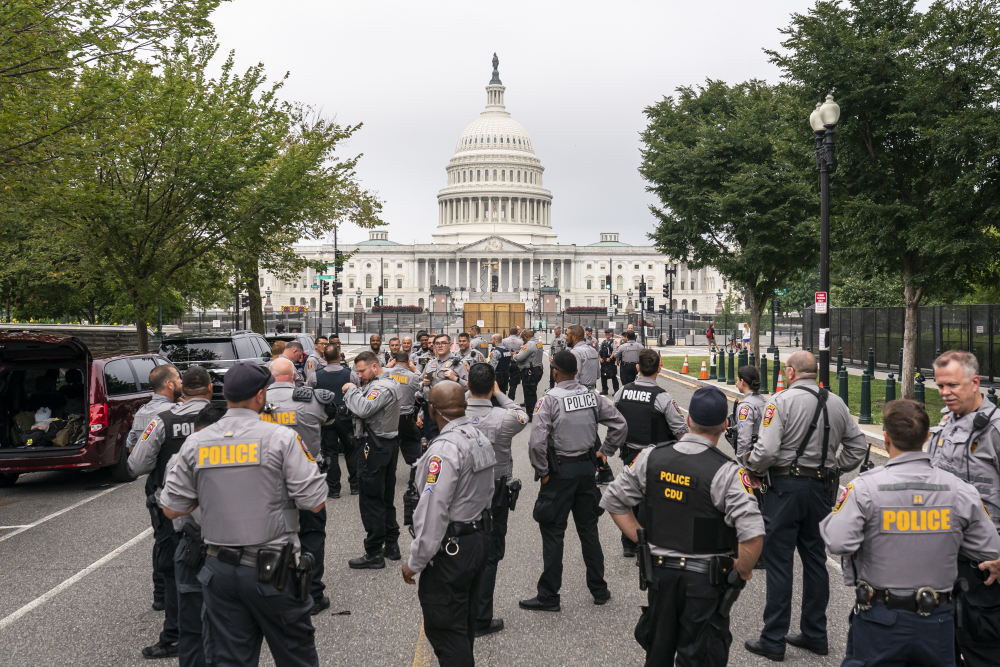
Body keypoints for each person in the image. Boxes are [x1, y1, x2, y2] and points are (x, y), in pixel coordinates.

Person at [160, 361, 327, 667]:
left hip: (218, 570)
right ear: (261, 396)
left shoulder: (196, 443)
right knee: (295, 655)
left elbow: (171, 508)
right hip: (273, 569)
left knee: (229, 659)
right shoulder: (282, 438)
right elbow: (315, 501)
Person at [821, 399, 1000, 667]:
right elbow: (990, 549)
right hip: (938, 621)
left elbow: (836, 541)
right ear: (927, 437)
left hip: (880, 619)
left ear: (886, 438)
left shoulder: (864, 489)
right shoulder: (962, 491)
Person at [601, 385, 764, 666]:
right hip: (705, 582)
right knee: (700, 657)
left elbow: (614, 500)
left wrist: (642, 539)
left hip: (660, 577)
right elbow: (752, 534)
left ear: (688, 421)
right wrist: (743, 569)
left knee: (658, 654)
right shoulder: (728, 472)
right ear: (725, 426)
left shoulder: (651, 457)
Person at [744, 350, 869, 661]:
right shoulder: (837, 403)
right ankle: (815, 634)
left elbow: (768, 449)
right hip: (820, 490)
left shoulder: (781, 401)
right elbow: (857, 447)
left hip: (785, 489)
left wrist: (753, 470)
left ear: (790, 372)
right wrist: (833, 467)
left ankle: (773, 639)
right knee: (815, 559)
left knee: (779, 562)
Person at [519, 351, 627, 612]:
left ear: (554, 372)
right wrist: (605, 452)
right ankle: (599, 589)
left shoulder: (549, 400)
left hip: (559, 474)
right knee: (589, 531)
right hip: (586, 471)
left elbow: (536, 443)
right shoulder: (592, 396)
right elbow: (620, 424)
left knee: (554, 533)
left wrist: (543, 471)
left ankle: (549, 596)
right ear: (577, 371)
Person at [402, 381, 495, 667]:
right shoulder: (479, 438)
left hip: (450, 551)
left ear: (432, 410)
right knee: (463, 623)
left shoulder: (443, 449)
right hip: (477, 539)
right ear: (465, 405)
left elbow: (433, 511)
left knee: (446, 631)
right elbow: (489, 490)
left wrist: (415, 561)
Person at [129, 366, 212, 659]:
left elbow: (136, 465)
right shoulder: (224, 417)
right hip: (219, 508)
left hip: (173, 510)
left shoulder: (161, 420)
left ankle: (176, 636)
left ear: (182, 390)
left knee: (175, 573)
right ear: (211, 388)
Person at [927, 350, 1000, 667]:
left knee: (982, 650)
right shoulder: (945, 423)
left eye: (952, 385)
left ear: (975, 382)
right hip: (944, 560)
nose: (945, 393)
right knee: (943, 647)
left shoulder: (994, 429)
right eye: (940, 385)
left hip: (984, 567)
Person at [264, 357, 334, 615]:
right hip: (307, 474)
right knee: (312, 534)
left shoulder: (256, 401)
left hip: (268, 478)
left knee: (270, 534)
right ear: (295, 376)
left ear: (271, 377)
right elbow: (327, 421)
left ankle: (276, 589)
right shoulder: (312, 399)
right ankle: (313, 593)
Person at [465, 363, 528, 637]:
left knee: (463, 551)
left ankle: (461, 612)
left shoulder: (455, 415)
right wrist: (499, 393)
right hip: (495, 492)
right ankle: (481, 617)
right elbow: (522, 414)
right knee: (490, 555)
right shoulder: (504, 418)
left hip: (463, 493)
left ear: (468, 386)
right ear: (492, 386)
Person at [611, 349, 688, 557]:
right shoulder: (663, 398)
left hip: (629, 454)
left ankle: (629, 542)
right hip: (655, 455)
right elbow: (681, 431)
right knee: (650, 500)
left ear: (637, 368)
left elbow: (615, 423)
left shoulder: (621, 392)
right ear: (659, 369)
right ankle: (645, 545)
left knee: (632, 493)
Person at [167, 402, 226, 667]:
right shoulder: (239, 454)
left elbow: (171, 506)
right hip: (225, 550)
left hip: (192, 545)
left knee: (192, 631)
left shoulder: (181, 456)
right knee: (231, 633)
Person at [127, 364, 183, 613]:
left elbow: (132, 447)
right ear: (169, 384)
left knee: (162, 539)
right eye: (178, 378)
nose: (181, 381)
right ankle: (175, 592)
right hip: (176, 483)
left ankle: (160, 594)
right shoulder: (174, 413)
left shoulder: (142, 413)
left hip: (156, 484)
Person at [344, 351, 402, 569]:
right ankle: (391, 544)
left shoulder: (381, 387)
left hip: (374, 447)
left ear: (375, 367)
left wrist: (350, 391)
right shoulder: (385, 383)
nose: (359, 376)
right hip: (385, 445)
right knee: (385, 496)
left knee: (371, 499)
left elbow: (363, 408)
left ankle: (374, 552)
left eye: (362, 371)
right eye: (357, 372)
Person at [313, 339, 360, 498]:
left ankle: (334, 489)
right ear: (340, 356)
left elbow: (309, 394)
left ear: (324, 358)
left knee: (329, 452)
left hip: (326, 417)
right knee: (351, 449)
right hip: (345, 416)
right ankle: (355, 486)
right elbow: (358, 392)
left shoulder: (316, 375)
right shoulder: (350, 373)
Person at [421, 334, 470, 440]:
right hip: (431, 412)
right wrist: (423, 383)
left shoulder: (460, 364)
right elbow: (419, 386)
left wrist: (456, 379)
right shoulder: (430, 364)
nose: (440, 346)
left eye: (443, 343)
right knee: (431, 443)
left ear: (450, 345)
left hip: (451, 413)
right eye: (437, 343)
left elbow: (470, 387)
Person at [386, 351, 424, 465]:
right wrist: (414, 368)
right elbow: (423, 383)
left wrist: (387, 366)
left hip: (389, 418)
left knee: (388, 448)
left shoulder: (385, 372)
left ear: (394, 361)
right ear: (408, 362)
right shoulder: (413, 376)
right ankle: (415, 478)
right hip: (406, 418)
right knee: (413, 450)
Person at [732, 365, 766, 465]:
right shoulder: (766, 401)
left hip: (753, 458)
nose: (736, 383)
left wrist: (741, 463)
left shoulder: (746, 407)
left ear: (742, 382)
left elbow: (744, 439)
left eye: (737, 380)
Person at [512, 328, 544, 421]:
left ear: (527, 336)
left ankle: (531, 415)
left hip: (530, 371)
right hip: (537, 369)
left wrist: (514, 355)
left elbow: (519, 358)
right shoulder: (538, 343)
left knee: (529, 393)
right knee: (532, 392)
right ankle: (534, 411)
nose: (523, 340)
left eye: (523, 338)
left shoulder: (529, 344)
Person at [502, 326, 522, 401]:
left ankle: (503, 398)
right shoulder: (520, 341)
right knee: (513, 383)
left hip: (506, 363)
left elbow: (502, 351)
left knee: (503, 381)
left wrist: (510, 353)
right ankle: (511, 399)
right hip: (516, 363)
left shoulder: (504, 341)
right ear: (517, 332)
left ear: (509, 332)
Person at [599, 328, 619, 396]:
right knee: (603, 376)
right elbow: (599, 351)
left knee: (613, 376)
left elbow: (615, 351)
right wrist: (600, 358)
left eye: (608, 332)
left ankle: (616, 390)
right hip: (604, 362)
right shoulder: (603, 342)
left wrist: (610, 358)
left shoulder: (613, 342)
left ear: (611, 333)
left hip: (610, 362)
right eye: (606, 333)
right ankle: (604, 390)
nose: (607, 334)